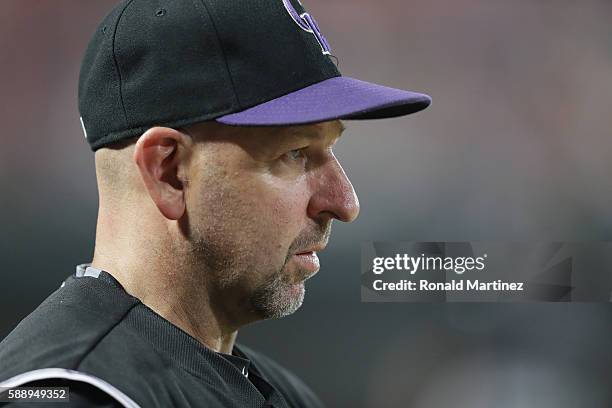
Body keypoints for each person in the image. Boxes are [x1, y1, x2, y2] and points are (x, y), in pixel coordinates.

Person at [0, 0, 430, 406]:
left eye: (332, 148)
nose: (344, 202)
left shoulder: (283, 392)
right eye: (295, 152)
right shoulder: (72, 393)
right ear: (169, 172)